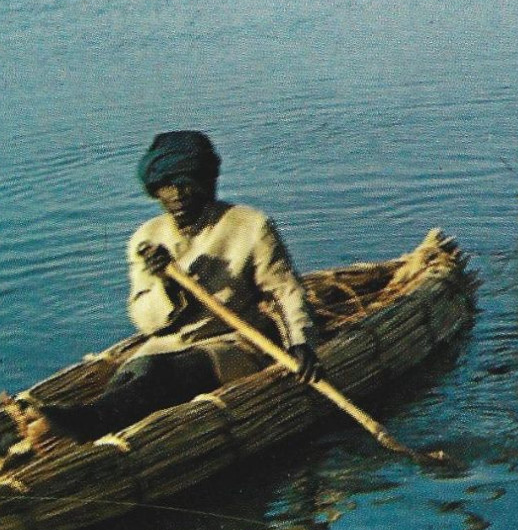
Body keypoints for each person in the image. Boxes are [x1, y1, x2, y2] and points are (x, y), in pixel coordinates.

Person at [38, 130, 323, 440]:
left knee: (165, 375)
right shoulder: (147, 238)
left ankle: (91, 422)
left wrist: (300, 342)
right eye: (166, 186)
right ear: (155, 190)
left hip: (234, 343)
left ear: (208, 181)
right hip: (166, 346)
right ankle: (93, 424)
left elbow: (284, 291)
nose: (178, 195)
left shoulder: (249, 225)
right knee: (137, 373)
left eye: (187, 183)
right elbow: (146, 322)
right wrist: (166, 285)